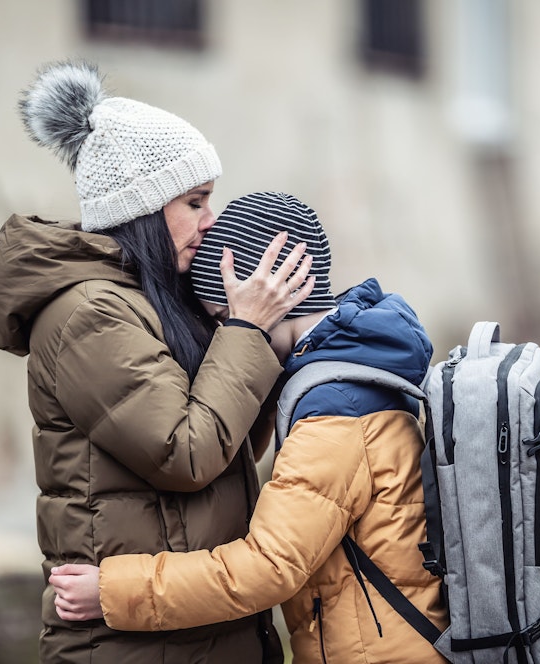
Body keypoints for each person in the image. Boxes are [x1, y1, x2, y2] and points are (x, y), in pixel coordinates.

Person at [0, 63, 314, 663]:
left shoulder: (149, 301)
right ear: (144, 207)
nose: (212, 223)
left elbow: (232, 446)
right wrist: (245, 330)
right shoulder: (90, 315)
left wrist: (261, 341)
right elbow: (185, 454)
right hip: (130, 644)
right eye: (195, 202)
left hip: (191, 627)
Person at [49, 192, 449, 663]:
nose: (226, 335)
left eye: (226, 318)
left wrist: (115, 591)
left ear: (274, 293)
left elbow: (266, 568)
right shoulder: (358, 367)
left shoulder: (334, 411)